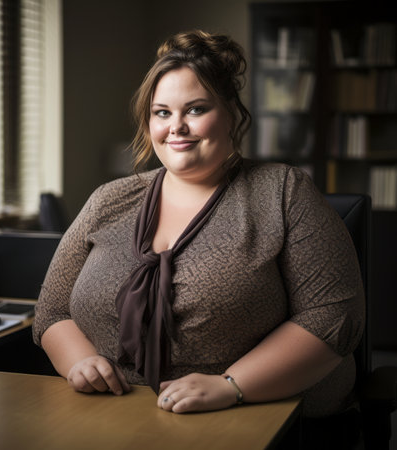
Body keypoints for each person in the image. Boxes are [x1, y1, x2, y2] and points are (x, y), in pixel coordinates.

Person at [33, 30, 364, 448]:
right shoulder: (109, 200)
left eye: (196, 109)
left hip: (262, 420)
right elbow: (52, 309)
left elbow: (332, 318)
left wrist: (232, 385)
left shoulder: (283, 192)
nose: (177, 127)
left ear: (230, 114)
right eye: (162, 113)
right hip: (116, 417)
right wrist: (79, 362)